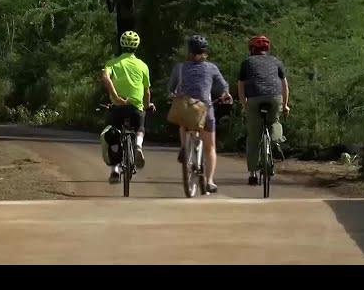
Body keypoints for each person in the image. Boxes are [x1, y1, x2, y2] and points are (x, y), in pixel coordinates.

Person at [168, 35, 233, 193]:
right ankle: (210, 181)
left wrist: (171, 95)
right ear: (205, 51)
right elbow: (223, 86)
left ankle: (184, 147)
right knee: (210, 147)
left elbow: (170, 88)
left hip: (186, 108)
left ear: (189, 50)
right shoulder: (211, 68)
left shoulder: (180, 67)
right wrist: (226, 94)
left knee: (183, 120)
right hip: (204, 110)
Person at [101, 30, 155, 184]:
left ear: (121, 44)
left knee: (112, 134)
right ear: (137, 46)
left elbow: (105, 76)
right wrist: (147, 105)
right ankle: (138, 145)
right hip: (135, 106)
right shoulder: (143, 66)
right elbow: (146, 91)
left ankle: (115, 170)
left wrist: (116, 96)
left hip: (117, 107)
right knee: (140, 127)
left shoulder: (112, 63)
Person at [237, 35, 290, 185]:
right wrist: (285, 105)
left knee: (254, 136)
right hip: (274, 98)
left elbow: (241, 85)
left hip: (254, 99)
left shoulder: (247, 62)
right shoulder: (276, 61)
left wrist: (244, 104)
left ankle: (253, 174)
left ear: (251, 49)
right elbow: (284, 85)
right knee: (274, 122)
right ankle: (276, 140)